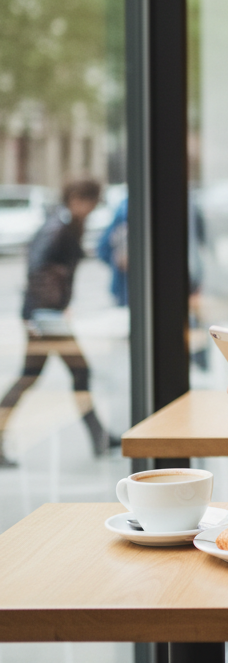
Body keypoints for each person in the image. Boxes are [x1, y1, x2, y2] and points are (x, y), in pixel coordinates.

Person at [0, 179, 120, 467]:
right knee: (69, 373)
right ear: (78, 199)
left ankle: (99, 435)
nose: (91, 210)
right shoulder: (58, 228)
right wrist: (49, 310)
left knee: (42, 375)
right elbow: (38, 269)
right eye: (90, 203)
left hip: (44, 315)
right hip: (45, 317)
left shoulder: (63, 225)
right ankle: (99, 436)